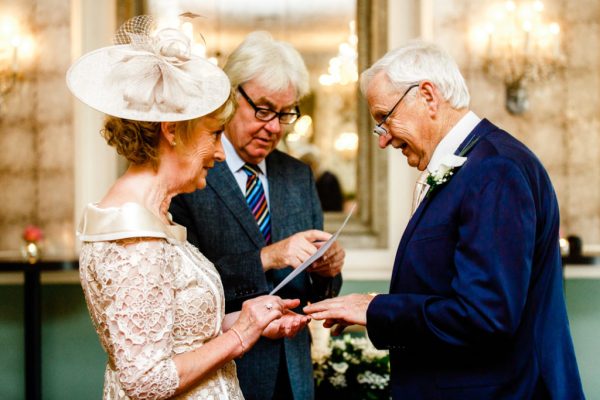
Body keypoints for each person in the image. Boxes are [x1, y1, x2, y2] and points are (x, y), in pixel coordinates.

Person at [304, 41, 585, 399]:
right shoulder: (475, 163)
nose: (384, 139)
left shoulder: (495, 170)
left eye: (384, 119)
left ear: (427, 96)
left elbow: (486, 315)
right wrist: (373, 304)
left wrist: (376, 309)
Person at [68, 16, 309, 399]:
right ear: (172, 130)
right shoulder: (135, 235)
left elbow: (179, 332)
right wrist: (241, 336)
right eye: (213, 134)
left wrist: (250, 319)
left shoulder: (152, 217)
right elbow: (147, 380)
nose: (218, 151)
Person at [170, 31, 345, 400]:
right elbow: (183, 287)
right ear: (232, 97)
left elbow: (314, 292)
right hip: (222, 369)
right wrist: (268, 257)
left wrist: (328, 271)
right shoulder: (191, 175)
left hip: (294, 372)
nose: (275, 127)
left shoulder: (299, 176)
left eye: (286, 114)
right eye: (263, 110)